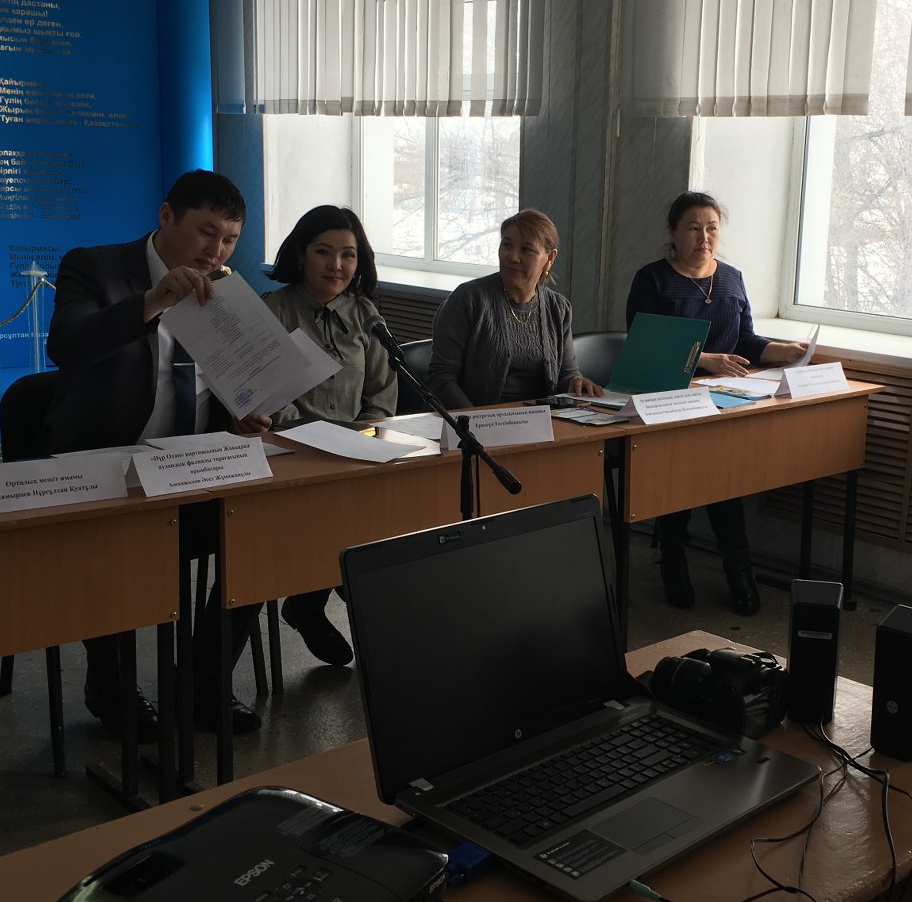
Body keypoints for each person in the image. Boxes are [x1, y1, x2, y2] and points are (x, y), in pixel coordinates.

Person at [42, 169, 269, 739]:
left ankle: (202, 679)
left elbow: (222, 384)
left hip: (191, 469)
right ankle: (110, 685)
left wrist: (241, 413)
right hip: (110, 470)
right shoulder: (93, 267)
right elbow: (66, 346)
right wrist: (151, 302)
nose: (216, 251)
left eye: (229, 240)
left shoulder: (227, 291)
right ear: (166, 215)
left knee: (267, 536)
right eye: (206, 232)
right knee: (114, 548)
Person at [625, 191, 806, 615]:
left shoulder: (731, 278)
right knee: (682, 474)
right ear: (672, 233)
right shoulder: (652, 279)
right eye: (693, 228)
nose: (703, 237)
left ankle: (737, 567)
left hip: (724, 399)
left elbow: (745, 341)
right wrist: (705, 360)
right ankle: (673, 561)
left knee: (724, 477)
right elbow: (644, 345)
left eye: (711, 228)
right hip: (669, 397)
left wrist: (781, 351)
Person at [260, 205, 396, 667]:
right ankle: (311, 598)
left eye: (348, 255)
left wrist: (365, 435)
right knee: (338, 527)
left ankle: (309, 602)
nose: (336, 265)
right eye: (323, 252)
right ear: (301, 254)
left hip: (355, 452)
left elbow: (382, 390)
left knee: (378, 526)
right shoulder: (273, 310)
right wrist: (310, 437)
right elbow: (266, 395)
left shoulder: (365, 313)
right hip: (287, 454)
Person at [427, 209, 602, 408]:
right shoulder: (468, 299)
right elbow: (441, 378)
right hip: (473, 420)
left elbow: (566, 374)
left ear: (549, 258)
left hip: (541, 421)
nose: (512, 257)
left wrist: (576, 382)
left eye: (526, 249)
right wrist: (475, 420)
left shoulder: (558, 308)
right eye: (507, 245)